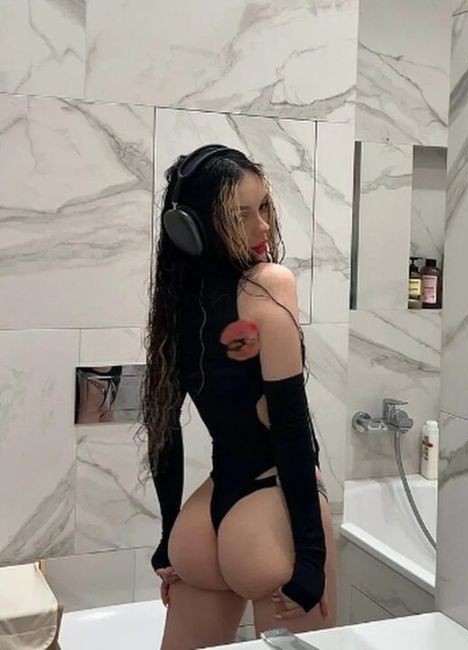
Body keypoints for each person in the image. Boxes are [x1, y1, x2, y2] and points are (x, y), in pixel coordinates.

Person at [140, 144, 337, 649]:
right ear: (195, 226)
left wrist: (168, 539)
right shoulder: (269, 286)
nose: (262, 226)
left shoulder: (177, 303)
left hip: (200, 526)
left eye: (264, 206)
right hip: (270, 516)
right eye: (240, 215)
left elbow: (163, 433)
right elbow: (290, 428)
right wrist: (311, 558)